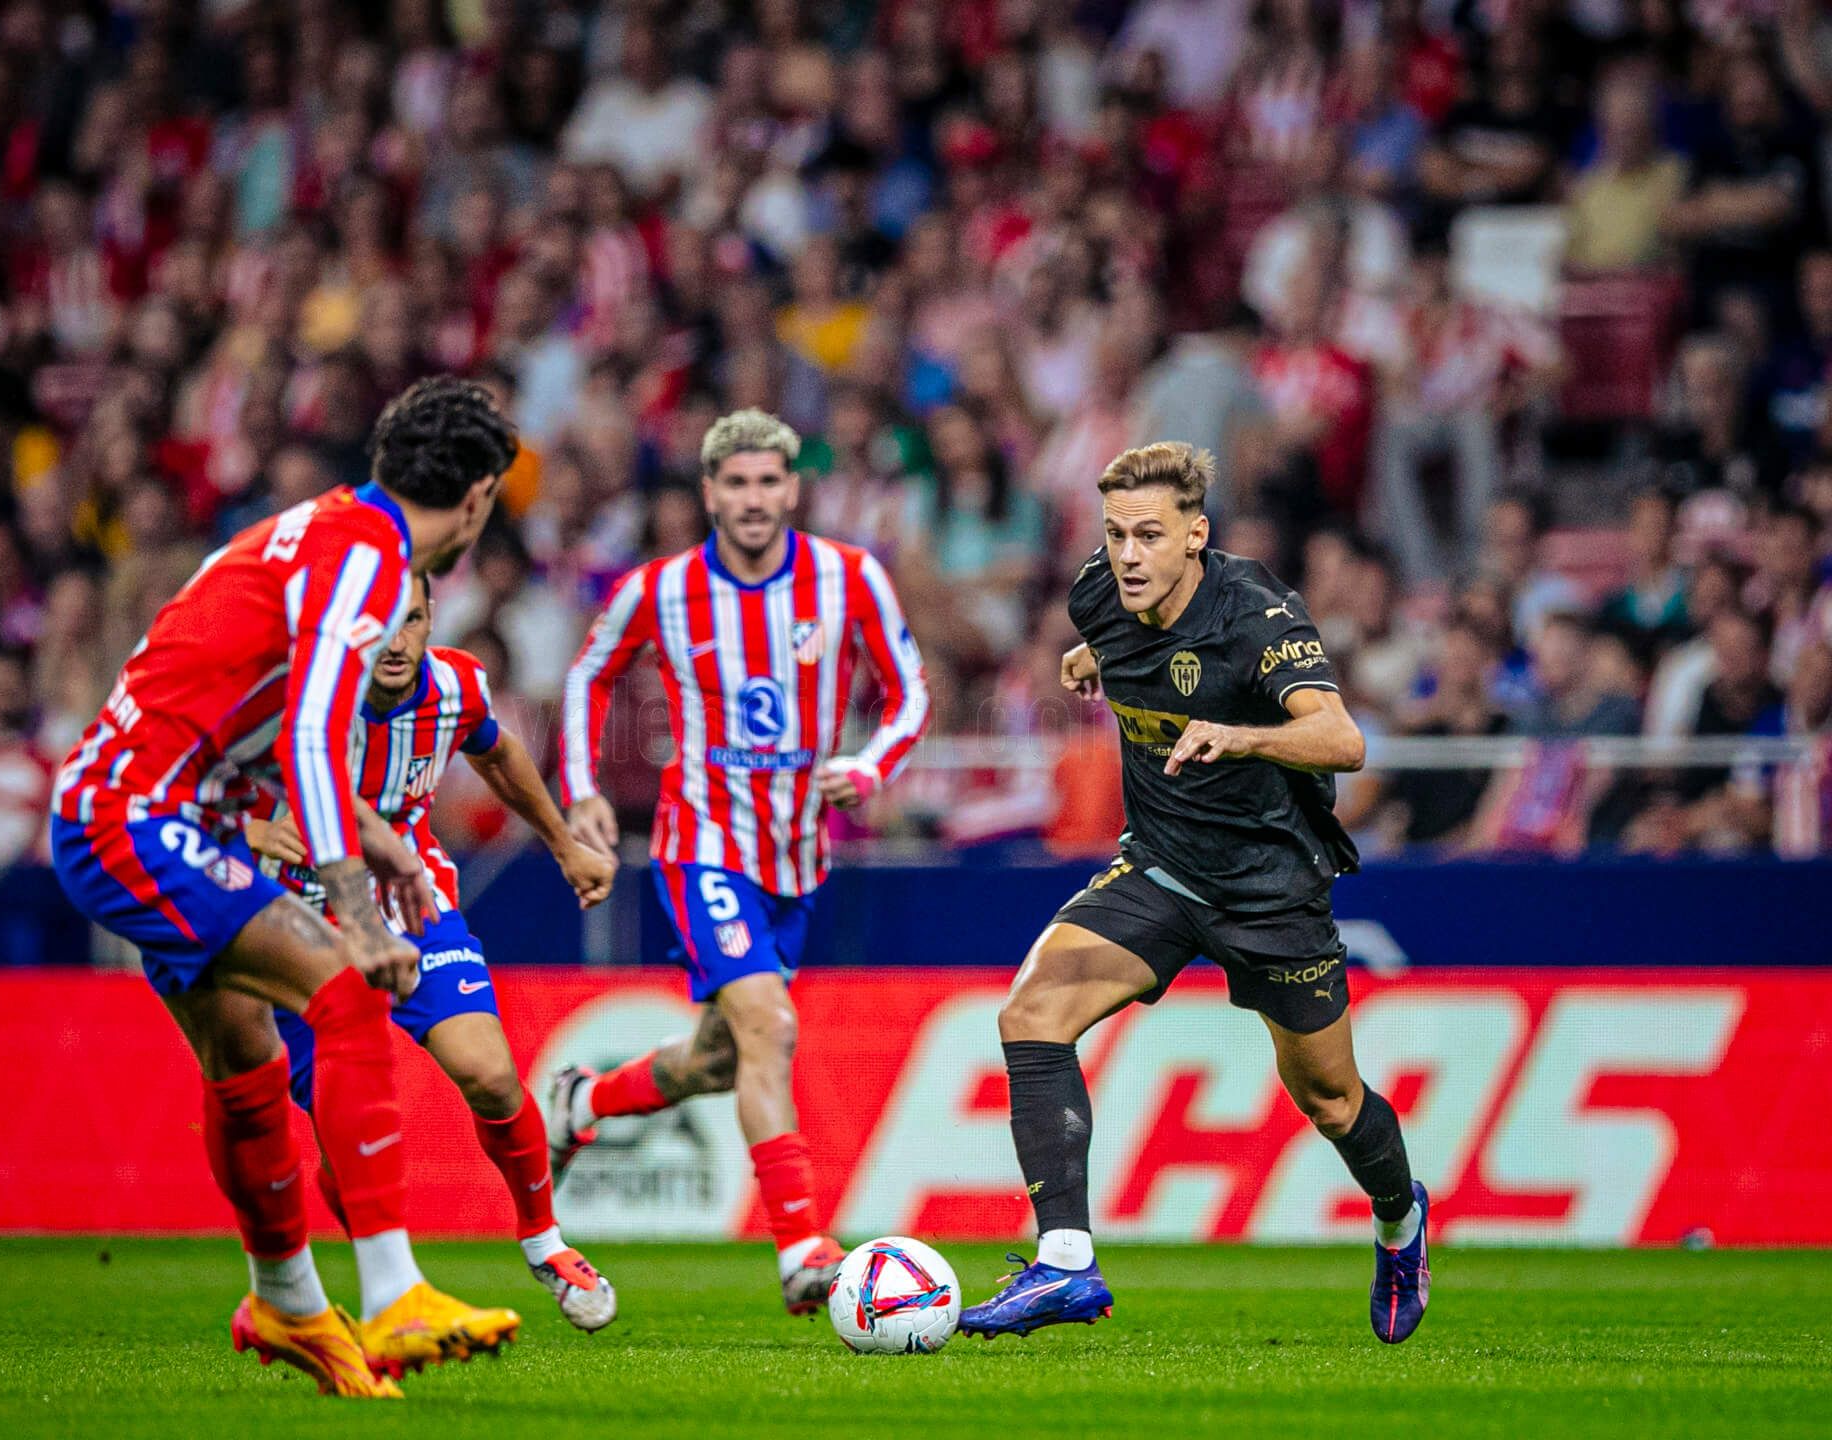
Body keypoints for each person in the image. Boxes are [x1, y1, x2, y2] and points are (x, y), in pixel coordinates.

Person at [48, 378, 518, 1398]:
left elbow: (250, 706)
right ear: (477, 498)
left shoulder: (323, 532)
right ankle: (394, 1293)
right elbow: (313, 732)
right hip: (141, 819)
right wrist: (354, 903)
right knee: (344, 992)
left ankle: (290, 1304)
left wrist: (372, 835)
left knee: (245, 1060)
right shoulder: (370, 555)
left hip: (143, 807)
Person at [958, 442, 1429, 1344]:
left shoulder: (1256, 613)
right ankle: (1064, 1264)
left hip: (1271, 889)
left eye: (1148, 535)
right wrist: (1088, 659)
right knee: (1031, 1014)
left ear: (1195, 536)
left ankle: (1400, 1223)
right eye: (1115, 534)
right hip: (1164, 868)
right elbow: (1134, 646)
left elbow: (1343, 739)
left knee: (1329, 1099)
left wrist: (1241, 736)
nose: (1128, 554)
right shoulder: (1098, 593)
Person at [550, 407, 930, 1315]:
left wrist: (871, 763)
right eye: (737, 484)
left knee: (725, 1055)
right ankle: (802, 1246)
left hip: (799, 855)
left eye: (770, 482)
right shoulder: (664, 589)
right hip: (703, 845)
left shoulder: (848, 578)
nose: (755, 499)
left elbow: (911, 690)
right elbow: (587, 675)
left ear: (792, 489)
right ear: (709, 494)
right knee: (771, 1026)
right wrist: (582, 788)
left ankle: (583, 1100)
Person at [243, 575, 620, 1348]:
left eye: (412, 619)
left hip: (410, 903)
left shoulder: (454, 685)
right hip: (296, 930)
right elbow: (181, 783)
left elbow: (500, 753)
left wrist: (562, 844)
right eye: (380, 623)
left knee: (489, 1073)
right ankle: (392, 1287)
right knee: (345, 1151)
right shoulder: (296, 695)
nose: (397, 639)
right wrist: (252, 835)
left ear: (430, 621)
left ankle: (545, 1242)